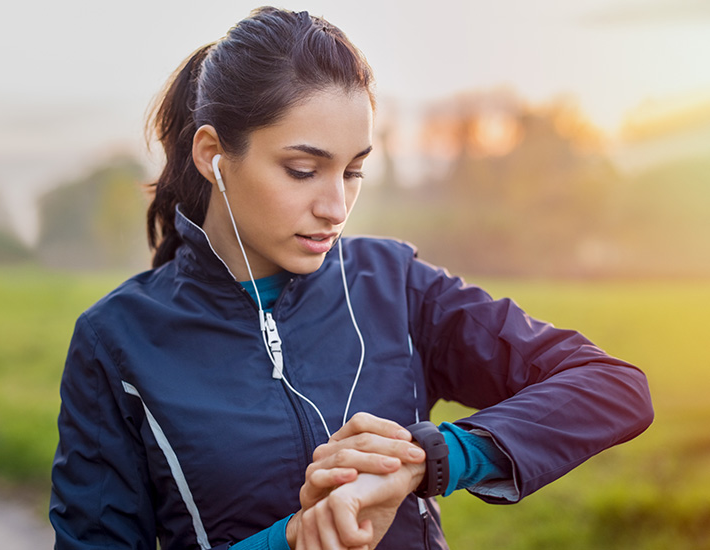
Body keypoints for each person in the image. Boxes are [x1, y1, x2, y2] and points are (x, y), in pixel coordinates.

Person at [49, 7, 653, 550]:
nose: (336, 207)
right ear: (213, 155)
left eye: (354, 171)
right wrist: (285, 543)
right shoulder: (117, 341)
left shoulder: (397, 285)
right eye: (304, 170)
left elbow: (611, 387)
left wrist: (433, 456)